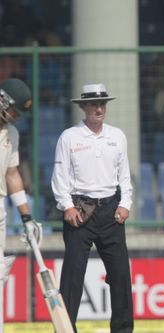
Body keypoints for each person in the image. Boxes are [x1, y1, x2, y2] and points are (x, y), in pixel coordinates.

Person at [51, 83, 134, 333]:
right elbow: (59, 176)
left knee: (120, 276)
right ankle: (65, 330)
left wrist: (125, 204)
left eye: (102, 104)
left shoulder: (117, 136)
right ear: (83, 107)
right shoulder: (69, 136)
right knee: (73, 277)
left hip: (110, 210)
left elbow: (125, 176)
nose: (99, 108)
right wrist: (66, 206)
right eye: (93, 104)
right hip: (80, 210)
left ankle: (123, 330)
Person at [0, 78, 40, 333]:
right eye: (15, 111)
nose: (16, 117)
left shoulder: (11, 133)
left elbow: (12, 173)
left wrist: (27, 218)